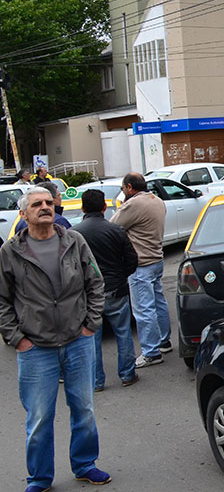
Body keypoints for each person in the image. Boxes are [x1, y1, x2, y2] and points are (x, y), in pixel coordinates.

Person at [0, 185, 112, 490]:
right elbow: (2, 301)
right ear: (23, 214)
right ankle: (39, 478)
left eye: (49, 202)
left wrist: (91, 324)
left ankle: (85, 464)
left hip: (78, 341)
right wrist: (17, 338)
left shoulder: (74, 241)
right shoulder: (10, 252)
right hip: (35, 348)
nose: (45, 207)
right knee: (38, 419)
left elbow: (95, 284)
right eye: (37, 204)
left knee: (84, 409)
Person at [74, 189, 139, 392]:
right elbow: (132, 260)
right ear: (104, 207)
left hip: (87, 294)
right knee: (123, 333)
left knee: (91, 338)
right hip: (116, 289)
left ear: (82, 207)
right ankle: (127, 374)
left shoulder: (74, 234)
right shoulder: (116, 230)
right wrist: (121, 277)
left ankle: (96, 381)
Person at [112, 173, 170, 368]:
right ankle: (163, 341)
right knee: (159, 302)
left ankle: (151, 352)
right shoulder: (157, 200)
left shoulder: (134, 204)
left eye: (122, 189)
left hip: (140, 262)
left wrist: (120, 203)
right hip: (156, 258)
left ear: (129, 187)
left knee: (144, 309)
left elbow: (113, 225)